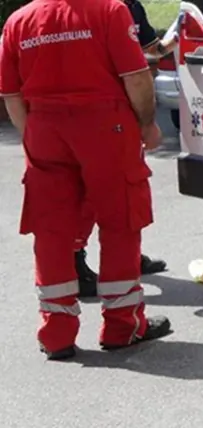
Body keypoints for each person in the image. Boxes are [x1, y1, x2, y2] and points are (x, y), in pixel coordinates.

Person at [0, 0, 172, 360]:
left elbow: (11, 94)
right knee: (120, 221)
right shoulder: (109, 11)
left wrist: (33, 134)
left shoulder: (19, 20)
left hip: (45, 128)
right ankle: (122, 326)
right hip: (106, 126)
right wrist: (147, 124)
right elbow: (136, 76)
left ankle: (56, 333)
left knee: (51, 230)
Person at [75, 0, 179, 299]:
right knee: (88, 194)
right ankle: (75, 262)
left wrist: (175, 39)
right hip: (97, 110)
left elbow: (152, 49)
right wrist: (148, 123)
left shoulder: (132, 6)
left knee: (126, 194)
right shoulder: (93, 9)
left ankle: (129, 256)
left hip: (123, 112)